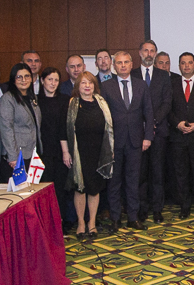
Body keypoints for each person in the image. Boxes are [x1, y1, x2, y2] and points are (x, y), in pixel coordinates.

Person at [99, 52, 153, 231]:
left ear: (131, 64)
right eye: (119, 63)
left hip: (136, 141)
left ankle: (133, 217)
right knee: (114, 182)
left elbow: (148, 112)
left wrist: (148, 137)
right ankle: (115, 218)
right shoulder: (106, 86)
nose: (123, 65)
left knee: (133, 181)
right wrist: (107, 143)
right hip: (114, 142)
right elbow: (103, 116)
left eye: (126, 62)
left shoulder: (141, 85)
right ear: (114, 66)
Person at [64, 72, 114, 238]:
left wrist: (110, 150)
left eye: (90, 83)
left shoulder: (102, 103)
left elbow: (109, 129)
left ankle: (91, 223)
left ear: (95, 85)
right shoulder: (72, 104)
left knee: (94, 188)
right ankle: (80, 223)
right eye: (83, 83)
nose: (87, 86)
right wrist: (66, 152)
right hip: (79, 152)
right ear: (78, 86)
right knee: (80, 188)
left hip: (99, 152)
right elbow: (65, 130)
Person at [137, 40, 173, 223]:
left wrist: (152, 122)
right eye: (146, 50)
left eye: (152, 51)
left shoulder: (163, 75)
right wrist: (143, 124)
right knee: (141, 173)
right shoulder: (132, 74)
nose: (149, 54)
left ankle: (158, 209)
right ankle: (142, 209)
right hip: (137, 132)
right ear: (140, 53)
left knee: (158, 172)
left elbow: (167, 102)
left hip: (158, 131)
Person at [170, 52, 194, 218]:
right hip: (178, 137)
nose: (186, 66)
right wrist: (177, 123)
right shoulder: (171, 84)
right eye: (183, 63)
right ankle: (184, 207)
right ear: (179, 66)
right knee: (181, 174)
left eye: (190, 62)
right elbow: (167, 108)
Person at [38, 67, 73, 228]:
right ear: (42, 80)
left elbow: (63, 127)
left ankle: (60, 222)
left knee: (60, 188)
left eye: (56, 80)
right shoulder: (35, 100)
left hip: (60, 150)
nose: (53, 83)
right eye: (50, 79)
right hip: (42, 151)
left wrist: (66, 152)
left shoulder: (65, 99)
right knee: (44, 188)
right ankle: (46, 224)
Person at [0, 63, 41, 181]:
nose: (24, 80)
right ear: (13, 80)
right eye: (19, 77)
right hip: (17, 156)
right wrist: (13, 157)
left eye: (27, 76)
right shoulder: (8, 99)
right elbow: (6, 129)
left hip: (32, 152)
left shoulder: (32, 98)